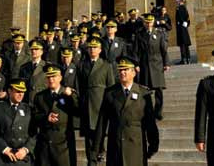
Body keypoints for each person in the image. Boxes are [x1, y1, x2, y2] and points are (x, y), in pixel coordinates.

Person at [92, 56, 159, 165]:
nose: (122, 72)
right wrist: (97, 146)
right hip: (116, 146)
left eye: (126, 70)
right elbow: (102, 121)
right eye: (120, 70)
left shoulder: (143, 93)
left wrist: (153, 144)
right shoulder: (110, 93)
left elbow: (150, 122)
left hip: (136, 146)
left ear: (133, 73)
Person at [77, 38, 116, 166]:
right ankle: (91, 161)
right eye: (90, 47)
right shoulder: (82, 65)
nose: (92, 50)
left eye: (95, 47)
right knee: (89, 137)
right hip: (87, 104)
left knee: (99, 135)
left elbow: (111, 87)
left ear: (100, 50)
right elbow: (79, 86)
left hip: (101, 105)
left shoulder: (106, 65)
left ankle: (99, 152)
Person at [32, 64, 78, 166]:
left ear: (60, 77)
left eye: (54, 76)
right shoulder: (40, 96)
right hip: (45, 146)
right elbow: (35, 116)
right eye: (48, 77)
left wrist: (72, 96)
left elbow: (79, 111)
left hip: (63, 145)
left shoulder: (68, 94)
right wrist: (46, 118)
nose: (51, 79)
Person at [0, 78, 36, 165]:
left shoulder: (29, 109)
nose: (21, 94)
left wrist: (25, 150)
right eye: (18, 91)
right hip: (3, 157)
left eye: (23, 92)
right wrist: (5, 149)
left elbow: (34, 133)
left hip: (22, 157)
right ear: (9, 91)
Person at [132, 13, 170, 120]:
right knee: (145, 90)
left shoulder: (159, 33)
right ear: (144, 23)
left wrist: (166, 63)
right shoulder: (139, 34)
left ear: (153, 22)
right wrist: (136, 64)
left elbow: (164, 49)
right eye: (147, 22)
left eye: (150, 22)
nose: (149, 24)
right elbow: (136, 51)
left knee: (158, 90)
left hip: (157, 64)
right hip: (145, 65)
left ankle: (158, 111)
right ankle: (147, 110)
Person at [19, 40, 47, 104]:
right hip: (26, 101)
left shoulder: (46, 66)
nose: (33, 51)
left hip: (41, 101)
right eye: (32, 49)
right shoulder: (24, 67)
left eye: (36, 49)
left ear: (41, 52)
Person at [175, 0, 192, 64]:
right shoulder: (185, 8)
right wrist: (186, 23)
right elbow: (187, 18)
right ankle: (188, 59)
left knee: (182, 44)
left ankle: (184, 59)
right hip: (185, 28)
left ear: (179, 1)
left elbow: (179, 18)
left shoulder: (178, 9)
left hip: (180, 28)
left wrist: (182, 22)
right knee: (186, 44)